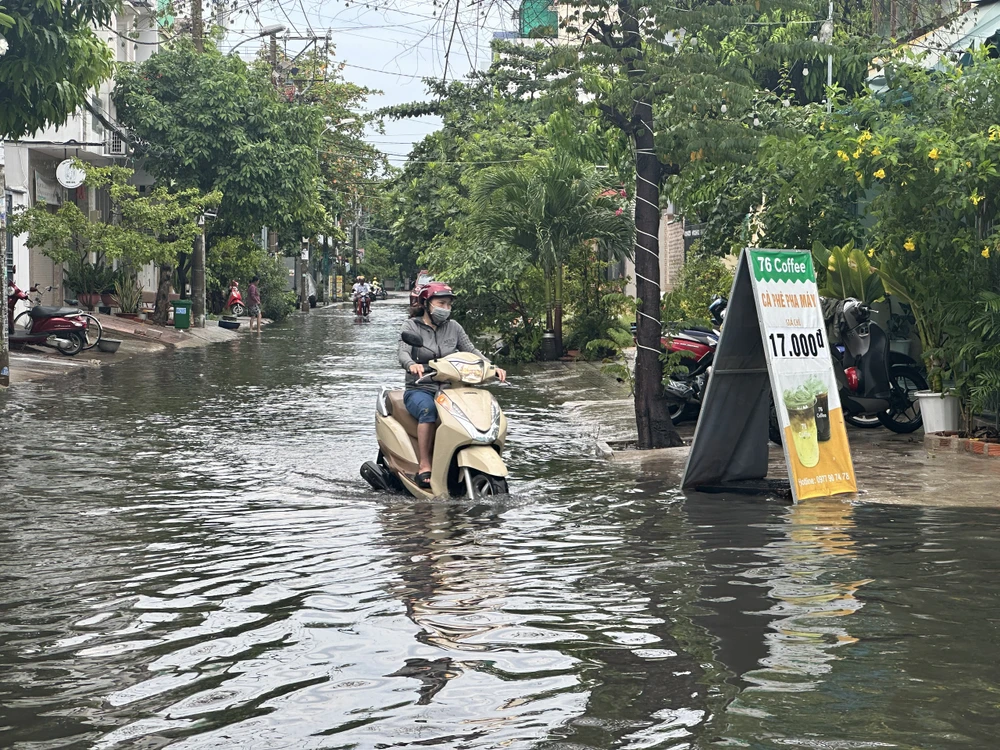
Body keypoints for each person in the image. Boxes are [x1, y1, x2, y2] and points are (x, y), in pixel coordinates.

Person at [397, 282, 507, 489]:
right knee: (428, 410)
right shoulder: (411, 326)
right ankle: (425, 464)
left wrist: (492, 367)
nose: (445, 309)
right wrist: (411, 364)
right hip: (421, 388)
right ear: (426, 304)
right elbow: (403, 351)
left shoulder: (454, 327)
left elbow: (471, 350)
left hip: (451, 389)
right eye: (441, 303)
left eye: (448, 304)